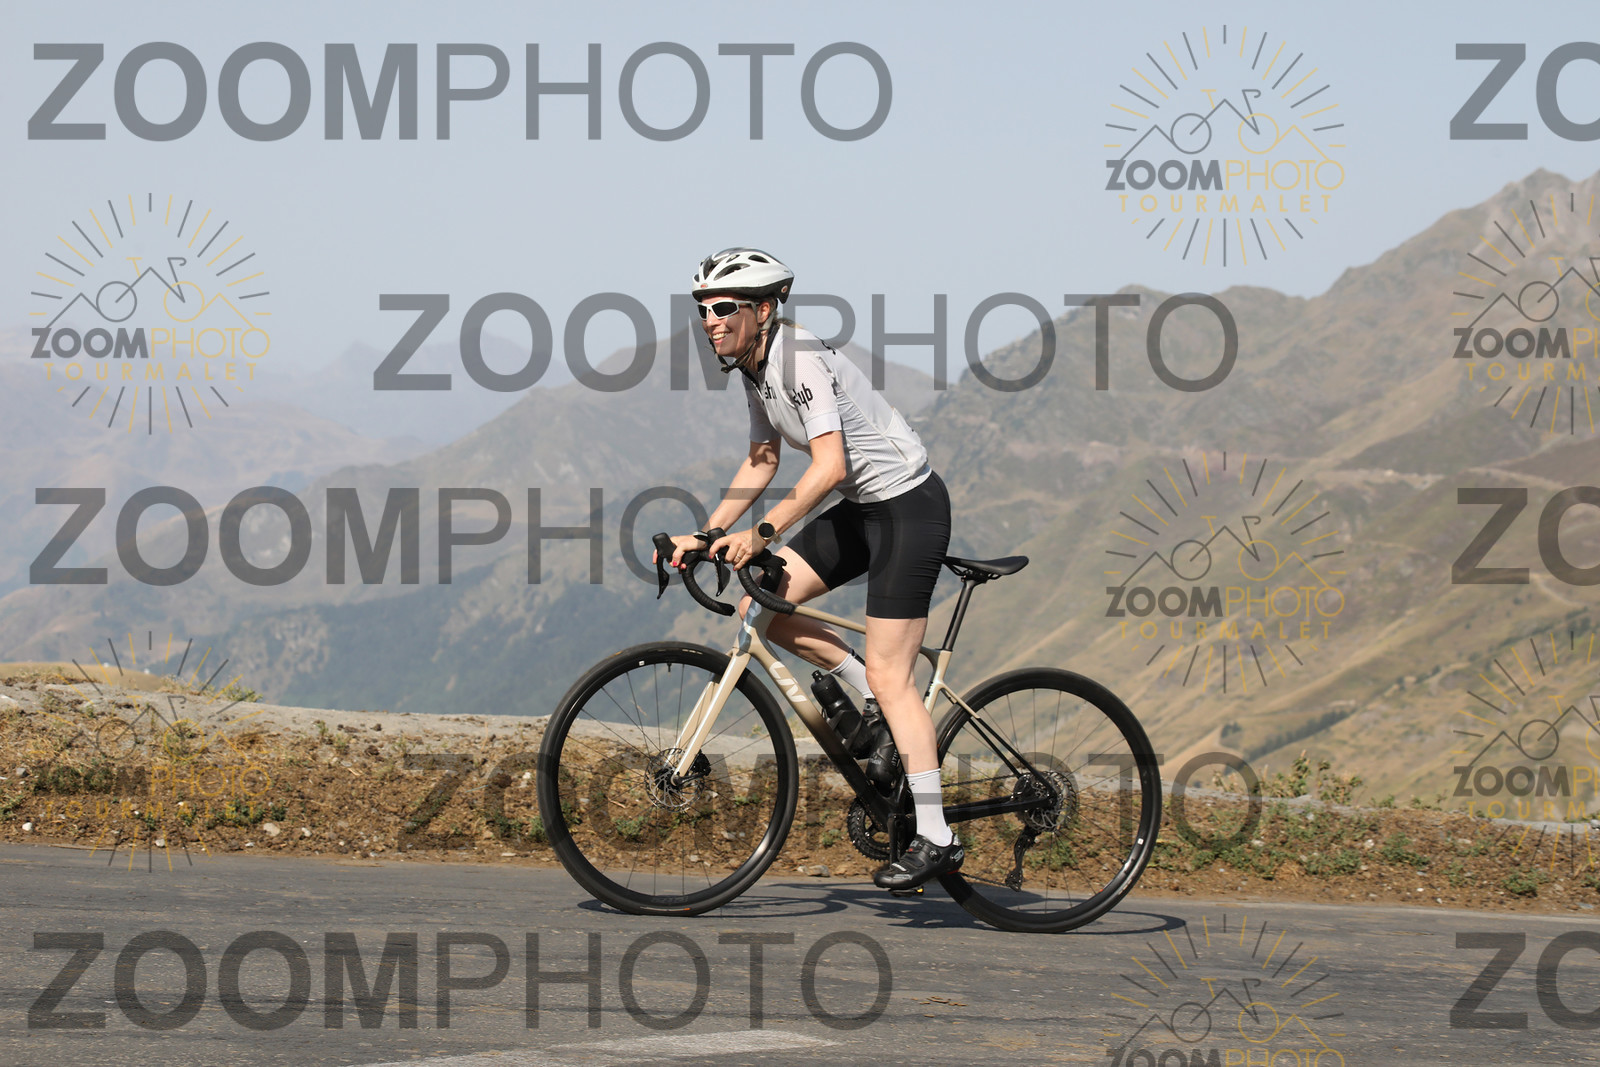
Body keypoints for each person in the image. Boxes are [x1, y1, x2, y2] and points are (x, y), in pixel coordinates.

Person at [660, 247, 960, 890]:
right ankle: (871, 704)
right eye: (703, 310)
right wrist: (708, 534)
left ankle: (937, 835)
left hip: (908, 507)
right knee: (762, 607)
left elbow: (830, 467)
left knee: (890, 672)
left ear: (763, 310)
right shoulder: (754, 367)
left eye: (724, 307)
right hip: (863, 509)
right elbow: (762, 459)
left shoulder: (798, 360)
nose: (710, 320)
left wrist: (761, 533)